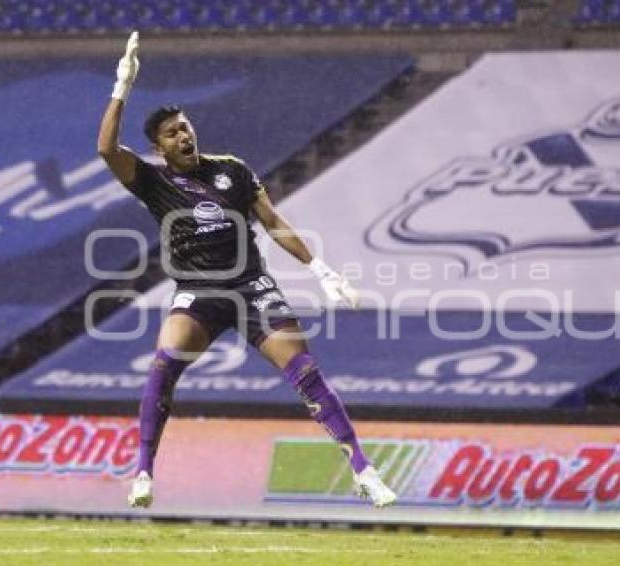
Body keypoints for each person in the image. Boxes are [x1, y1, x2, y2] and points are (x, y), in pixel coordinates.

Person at [97, 32, 396, 508]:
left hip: (251, 286)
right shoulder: (153, 181)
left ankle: (364, 471)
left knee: (306, 373)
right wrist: (122, 87)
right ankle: (143, 472)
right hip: (198, 290)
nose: (185, 134)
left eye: (186, 126)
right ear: (159, 147)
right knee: (164, 362)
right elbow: (107, 149)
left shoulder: (232, 170)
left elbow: (273, 222)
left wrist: (321, 269)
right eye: (173, 132)